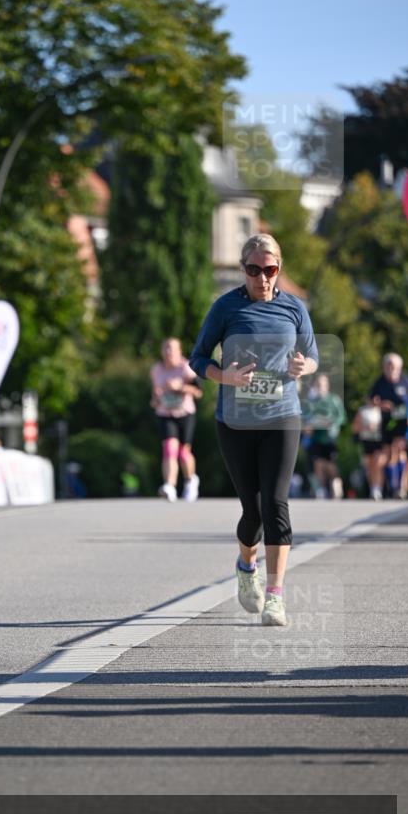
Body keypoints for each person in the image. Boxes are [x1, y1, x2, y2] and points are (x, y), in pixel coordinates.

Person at [189, 234, 318, 626]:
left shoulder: (294, 308)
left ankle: (275, 596)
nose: (262, 278)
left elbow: (313, 356)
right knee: (253, 512)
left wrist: (304, 367)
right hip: (236, 421)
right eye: (254, 270)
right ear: (243, 269)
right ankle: (247, 566)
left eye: (270, 270)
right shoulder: (225, 307)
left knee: (276, 504)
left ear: (279, 269)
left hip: (282, 416)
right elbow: (198, 358)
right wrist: (224, 376)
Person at [150, 337, 203, 502]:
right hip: (165, 414)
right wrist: (156, 398)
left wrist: (180, 387)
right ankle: (169, 486)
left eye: (171, 348)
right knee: (169, 449)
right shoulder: (157, 370)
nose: (168, 352)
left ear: (179, 351)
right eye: (165, 348)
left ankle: (190, 480)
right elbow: (154, 397)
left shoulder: (186, 368)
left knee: (183, 452)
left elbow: (198, 392)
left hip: (185, 413)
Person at [367, 353, 408, 499]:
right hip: (387, 422)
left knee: (400, 451)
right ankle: (385, 487)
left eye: (393, 366)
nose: (391, 369)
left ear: (399, 367)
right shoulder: (379, 382)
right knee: (387, 453)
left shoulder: (405, 380)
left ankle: (401, 488)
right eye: (388, 365)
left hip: (403, 423)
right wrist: (380, 404)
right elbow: (370, 400)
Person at [301, 373, 346, 498]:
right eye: (318, 384)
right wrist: (307, 427)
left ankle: (336, 483)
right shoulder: (312, 402)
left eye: (323, 384)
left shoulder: (334, 400)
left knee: (331, 465)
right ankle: (320, 489)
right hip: (316, 438)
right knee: (318, 463)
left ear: (327, 385)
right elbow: (305, 418)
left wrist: (332, 424)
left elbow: (342, 417)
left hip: (330, 438)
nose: (320, 386)